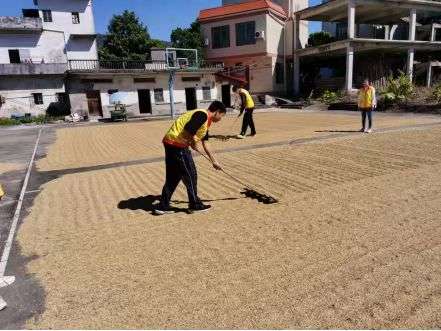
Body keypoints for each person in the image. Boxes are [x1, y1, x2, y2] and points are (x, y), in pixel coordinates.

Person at [154, 101, 227, 215]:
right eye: (222, 116)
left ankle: (163, 205)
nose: (221, 119)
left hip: (171, 143)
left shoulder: (206, 121)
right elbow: (188, 129)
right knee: (191, 174)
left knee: (174, 176)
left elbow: (206, 143)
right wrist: (193, 143)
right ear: (217, 112)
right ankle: (194, 205)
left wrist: (214, 161)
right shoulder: (202, 115)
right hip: (177, 145)